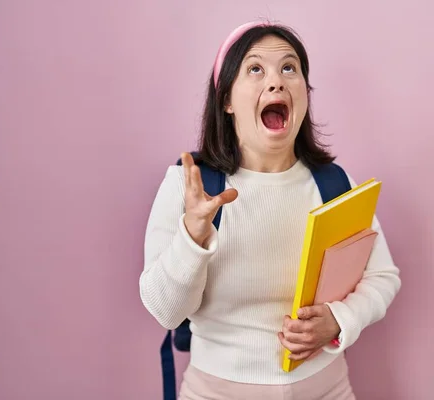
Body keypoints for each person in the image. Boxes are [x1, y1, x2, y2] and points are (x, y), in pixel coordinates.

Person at [139, 20, 402, 400]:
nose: (276, 81)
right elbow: (166, 311)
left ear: (305, 94)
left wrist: (339, 320)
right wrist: (193, 236)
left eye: (289, 68)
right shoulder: (189, 184)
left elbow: (383, 275)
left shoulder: (333, 183)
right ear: (226, 100)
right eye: (255, 69)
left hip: (328, 390)